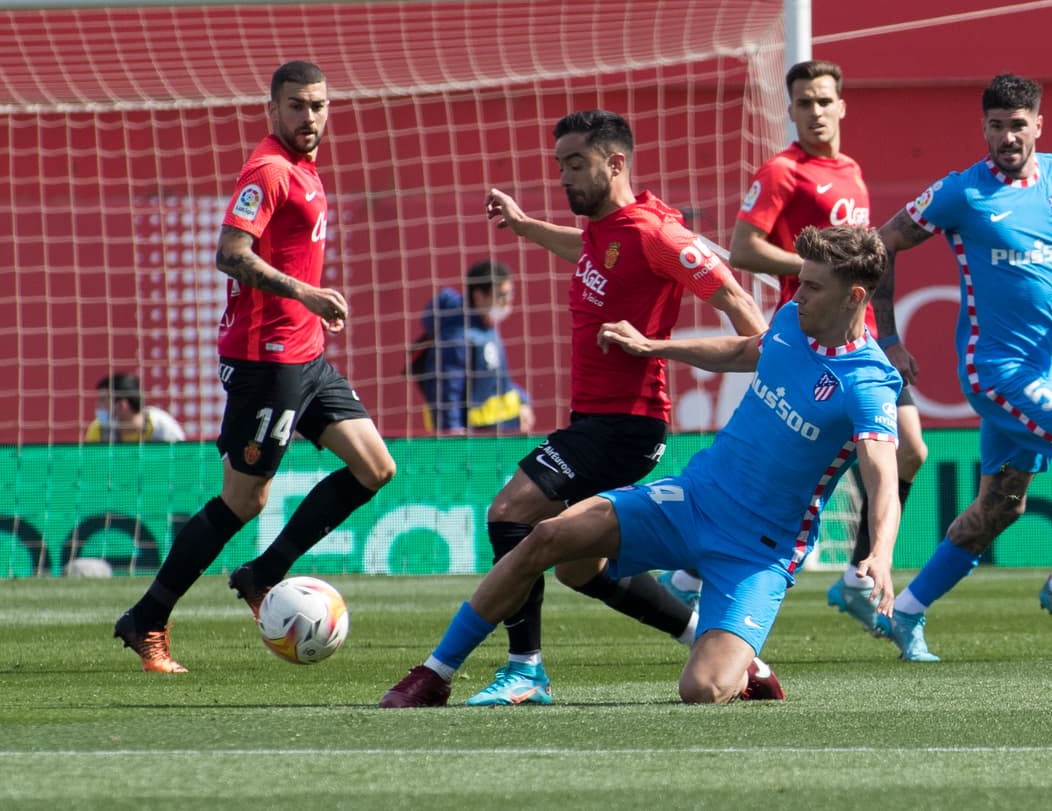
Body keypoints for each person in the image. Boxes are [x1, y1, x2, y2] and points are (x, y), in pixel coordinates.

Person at [379, 224, 902, 707]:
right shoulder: (791, 321)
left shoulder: (868, 382)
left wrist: (879, 552)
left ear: (853, 296)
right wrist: (655, 347)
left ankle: (744, 666)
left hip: (757, 550)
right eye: (800, 281)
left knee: (703, 689)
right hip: (694, 498)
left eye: (812, 286)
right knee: (548, 539)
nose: (798, 293)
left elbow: (881, 472)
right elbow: (746, 350)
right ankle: (434, 673)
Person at [423, 109, 766, 706]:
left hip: (626, 424)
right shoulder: (602, 232)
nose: (564, 177)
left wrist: (658, 347)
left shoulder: (661, 236)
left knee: (511, 511)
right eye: (560, 165)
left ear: (616, 163)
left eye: (576, 164)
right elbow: (587, 249)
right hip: (595, 421)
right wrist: (525, 226)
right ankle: (722, 649)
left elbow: (746, 316)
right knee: (580, 569)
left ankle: (524, 668)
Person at [112, 61, 396, 673]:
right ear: (273, 110)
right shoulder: (268, 170)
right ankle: (147, 618)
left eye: (318, 105)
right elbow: (229, 254)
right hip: (266, 361)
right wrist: (307, 294)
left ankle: (263, 574)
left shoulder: (305, 167)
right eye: (296, 106)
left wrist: (308, 311)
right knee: (243, 501)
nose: (309, 117)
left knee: (375, 467)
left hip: (307, 356)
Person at [870, 73, 1052, 661]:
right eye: (996, 126)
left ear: (1038, 125)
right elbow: (881, 243)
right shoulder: (962, 192)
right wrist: (887, 337)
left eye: (1018, 125)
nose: (1007, 137)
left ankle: (905, 611)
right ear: (984, 128)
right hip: (995, 370)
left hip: (1042, 372)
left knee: (1002, 506)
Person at [661, 59, 928, 637]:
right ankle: (690, 571)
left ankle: (856, 573)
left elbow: (868, 268)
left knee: (910, 450)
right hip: (807, 336)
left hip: (861, 341)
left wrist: (890, 336)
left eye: (824, 100)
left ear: (841, 106)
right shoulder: (783, 171)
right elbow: (744, 248)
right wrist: (819, 269)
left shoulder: (851, 171)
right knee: (785, 465)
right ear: (791, 110)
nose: (815, 111)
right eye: (804, 102)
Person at [407, 260, 533, 434]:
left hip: (500, 432)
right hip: (478, 439)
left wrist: (522, 402)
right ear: (479, 296)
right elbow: (445, 394)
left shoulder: (484, 327)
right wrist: (453, 436)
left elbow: (497, 380)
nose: (508, 301)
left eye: (511, 293)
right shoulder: (456, 338)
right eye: (502, 295)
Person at [85, 372, 186, 443]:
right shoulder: (98, 429)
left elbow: (182, 462)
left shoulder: (162, 427)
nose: (97, 405)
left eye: (103, 400)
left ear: (122, 405)